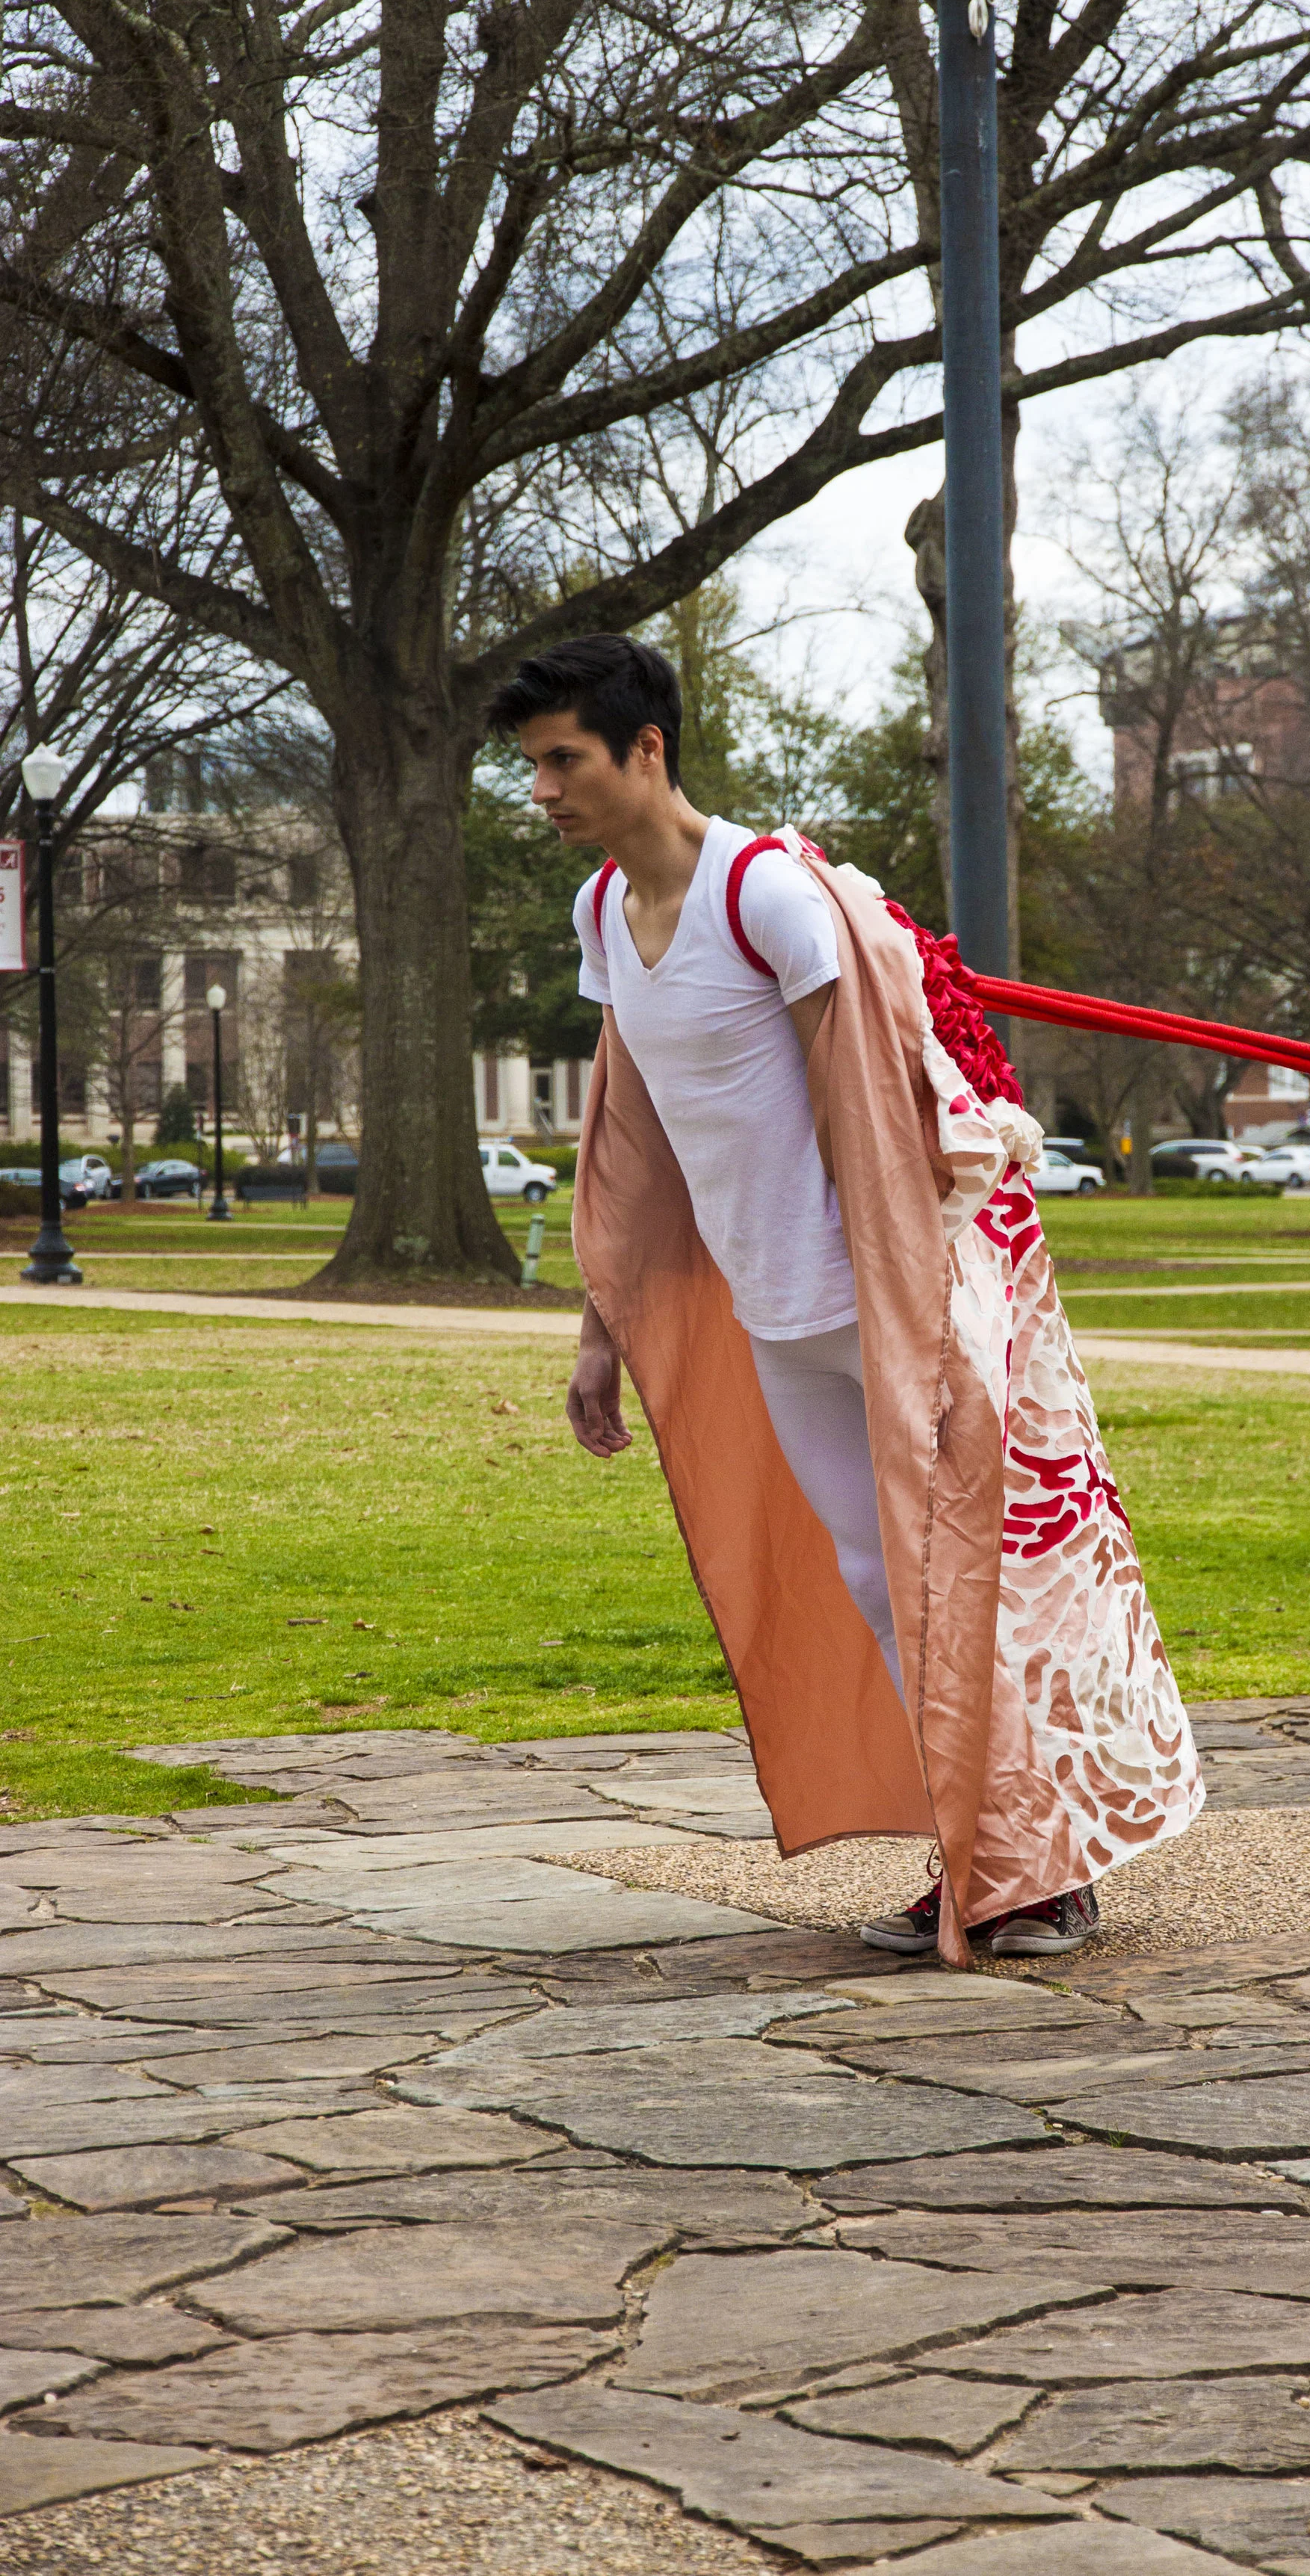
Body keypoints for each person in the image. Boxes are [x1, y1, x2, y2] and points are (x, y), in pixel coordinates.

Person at [489, 634, 1204, 1966]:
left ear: (647, 747)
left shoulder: (761, 892)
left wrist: (912, 1308)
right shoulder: (603, 913)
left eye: (563, 759)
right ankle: (982, 1856)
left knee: (957, 1581)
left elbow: (861, 1096)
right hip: (776, 1312)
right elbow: (632, 1137)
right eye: (532, 765)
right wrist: (602, 1329)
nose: (542, 790)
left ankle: (1037, 1877)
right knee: (886, 1589)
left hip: (880, 1298)